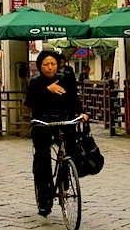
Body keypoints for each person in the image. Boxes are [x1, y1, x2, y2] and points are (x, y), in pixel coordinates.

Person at [25, 51, 88, 217]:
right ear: (40, 66)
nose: (50, 67)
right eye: (46, 64)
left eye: (53, 63)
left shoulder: (66, 79)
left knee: (72, 150)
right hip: (42, 124)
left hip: (63, 121)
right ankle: (45, 200)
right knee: (43, 161)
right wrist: (47, 90)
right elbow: (30, 102)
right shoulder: (35, 82)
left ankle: (66, 174)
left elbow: (74, 99)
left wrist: (81, 113)